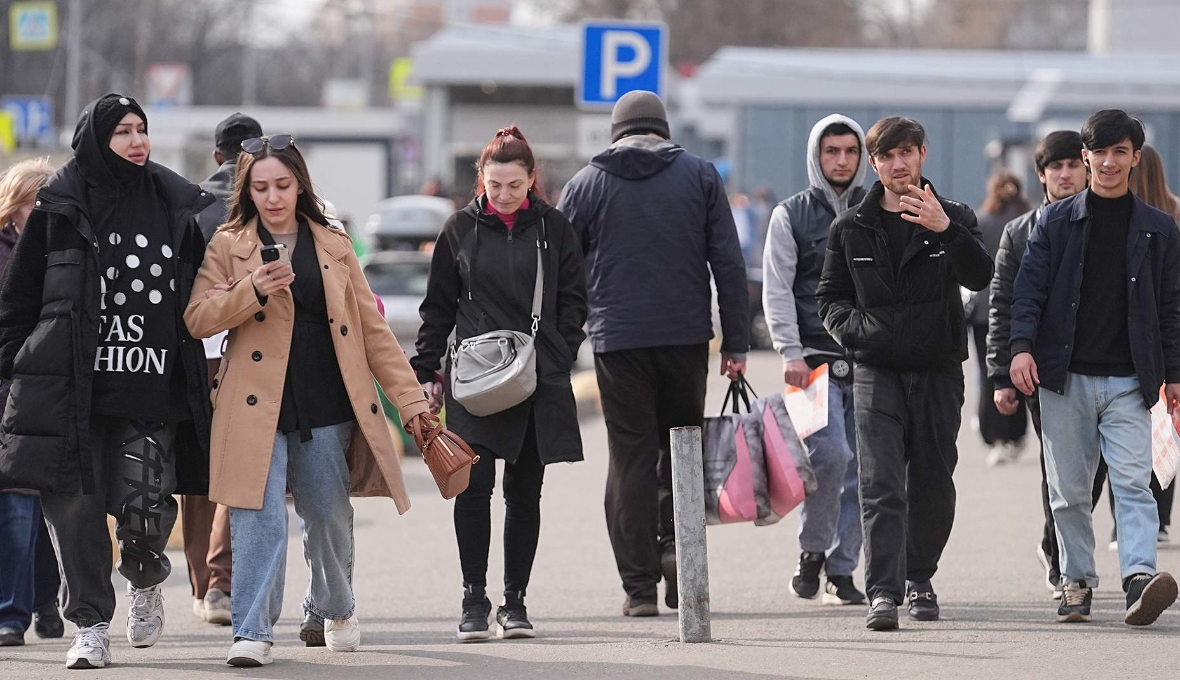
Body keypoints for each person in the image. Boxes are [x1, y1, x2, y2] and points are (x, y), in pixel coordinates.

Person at [184, 133, 433, 667]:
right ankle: (251, 630)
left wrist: (410, 402)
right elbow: (197, 317)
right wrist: (250, 288)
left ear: (300, 185)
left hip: (326, 401)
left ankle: (335, 607)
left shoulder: (334, 243)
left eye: (282, 184)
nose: (273, 196)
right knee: (258, 516)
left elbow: (374, 331)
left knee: (325, 515)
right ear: (247, 190)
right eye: (261, 187)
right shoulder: (230, 244)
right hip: (253, 405)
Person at [0, 94, 215, 669]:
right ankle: (90, 625)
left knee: (145, 504)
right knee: (73, 509)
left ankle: (144, 578)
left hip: (151, 388)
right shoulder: (59, 205)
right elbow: (19, 301)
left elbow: (198, 293)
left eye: (142, 129)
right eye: (123, 131)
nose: (137, 140)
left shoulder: (173, 203)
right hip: (71, 389)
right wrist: (13, 372)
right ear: (97, 139)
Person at [558, 90, 749, 617]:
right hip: (686, 339)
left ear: (616, 132)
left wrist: (564, 343)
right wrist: (736, 342)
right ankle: (679, 564)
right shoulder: (702, 177)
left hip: (618, 343)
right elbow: (729, 265)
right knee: (683, 452)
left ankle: (639, 586)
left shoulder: (585, 185)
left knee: (630, 459)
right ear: (663, 129)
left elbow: (561, 277)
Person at [816, 116, 992, 631]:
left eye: (907, 153)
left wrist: (945, 229)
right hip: (877, 371)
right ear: (874, 164)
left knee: (933, 481)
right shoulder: (851, 226)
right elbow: (829, 298)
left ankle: (920, 579)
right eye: (887, 156)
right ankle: (884, 592)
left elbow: (980, 275)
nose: (898, 164)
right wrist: (861, 333)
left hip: (939, 369)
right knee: (881, 483)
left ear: (922, 154)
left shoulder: (953, 214)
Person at [412, 126, 588, 641]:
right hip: (473, 379)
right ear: (481, 182)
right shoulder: (458, 230)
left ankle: (515, 602)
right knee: (473, 488)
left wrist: (560, 353)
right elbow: (437, 308)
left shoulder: (555, 227)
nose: (505, 195)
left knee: (525, 492)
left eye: (515, 185)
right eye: (495, 185)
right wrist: (427, 371)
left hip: (536, 376)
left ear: (532, 180)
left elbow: (574, 300)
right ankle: (473, 598)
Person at [1010, 109, 1180, 626]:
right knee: (1068, 488)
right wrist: (1019, 348)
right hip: (1064, 377)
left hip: (1132, 379)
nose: (1108, 162)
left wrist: (1173, 375)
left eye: (1119, 152)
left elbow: (1172, 306)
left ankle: (1137, 579)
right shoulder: (1054, 222)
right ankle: (1076, 581)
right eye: (1099, 152)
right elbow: (1029, 291)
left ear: (1135, 158)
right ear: (1086, 157)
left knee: (1134, 481)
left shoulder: (1158, 229)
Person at [986, 131, 1108, 601]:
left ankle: (1051, 541)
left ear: (1085, 167)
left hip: (1102, 365)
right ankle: (1062, 564)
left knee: (1093, 468)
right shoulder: (1020, 232)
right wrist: (1003, 374)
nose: (1063, 174)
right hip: (1041, 372)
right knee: (1058, 466)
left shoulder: (1106, 225)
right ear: (1040, 175)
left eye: (1071, 165)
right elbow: (1002, 303)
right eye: (1053, 167)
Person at [762, 114, 868, 606]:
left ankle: (842, 569)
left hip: (870, 361)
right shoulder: (790, 215)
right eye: (832, 151)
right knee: (829, 456)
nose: (842, 160)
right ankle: (812, 551)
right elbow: (778, 289)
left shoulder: (878, 207)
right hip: (810, 363)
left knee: (865, 469)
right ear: (816, 156)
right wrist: (789, 350)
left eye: (850, 151)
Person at [182, 112, 263, 627]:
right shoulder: (262, 204)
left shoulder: (187, 206)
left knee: (196, 469)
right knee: (240, 463)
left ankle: (200, 584)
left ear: (216, 155)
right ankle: (220, 582)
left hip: (192, 351)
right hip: (245, 351)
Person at [0, 157, 65, 647]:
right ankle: (14, 612)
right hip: (7, 390)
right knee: (17, 503)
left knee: (41, 504)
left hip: (48, 391)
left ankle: (42, 598)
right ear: (15, 205)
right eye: (35, 203)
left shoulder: (62, 249)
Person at [1116, 143, 1179, 544]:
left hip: (1135, 336)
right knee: (1167, 428)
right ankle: (1159, 518)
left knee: (1128, 433)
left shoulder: (1130, 217)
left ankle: (1123, 520)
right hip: (1171, 334)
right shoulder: (1175, 213)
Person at [970, 170, 1032, 466]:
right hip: (1021, 308)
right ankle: (1016, 434)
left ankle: (993, 435)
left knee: (989, 374)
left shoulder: (982, 221)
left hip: (984, 310)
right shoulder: (1028, 222)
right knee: (1021, 373)